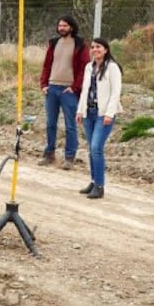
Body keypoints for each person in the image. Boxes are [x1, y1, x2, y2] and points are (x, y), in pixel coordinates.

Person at [38, 15, 90, 169]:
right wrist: (44, 84)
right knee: (50, 124)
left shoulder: (80, 45)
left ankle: (69, 157)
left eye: (65, 26)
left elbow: (84, 68)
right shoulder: (53, 43)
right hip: (52, 88)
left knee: (70, 126)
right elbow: (47, 65)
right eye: (60, 25)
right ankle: (49, 154)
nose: (61, 28)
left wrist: (75, 87)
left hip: (69, 90)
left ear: (71, 27)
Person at [76, 37, 123, 199]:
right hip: (89, 112)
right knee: (91, 149)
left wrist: (110, 113)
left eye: (98, 47)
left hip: (103, 114)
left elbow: (116, 92)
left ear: (106, 50)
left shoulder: (112, 67)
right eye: (93, 47)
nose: (95, 50)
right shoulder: (89, 67)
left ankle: (100, 185)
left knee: (96, 148)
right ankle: (93, 181)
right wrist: (80, 110)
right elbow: (85, 90)